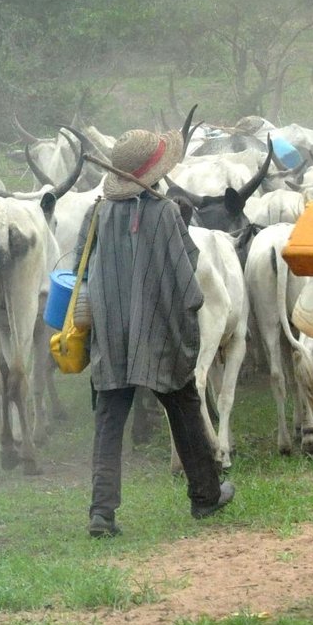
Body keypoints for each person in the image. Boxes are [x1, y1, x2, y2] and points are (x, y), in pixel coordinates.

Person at [80, 128, 234, 537]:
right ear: (155, 173)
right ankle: (206, 495)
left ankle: (101, 513)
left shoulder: (97, 212)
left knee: (109, 418)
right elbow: (188, 272)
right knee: (183, 407)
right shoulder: (165, 212)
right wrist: (181, 219)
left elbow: (82, 265)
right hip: (159, 332)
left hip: (111, 334)